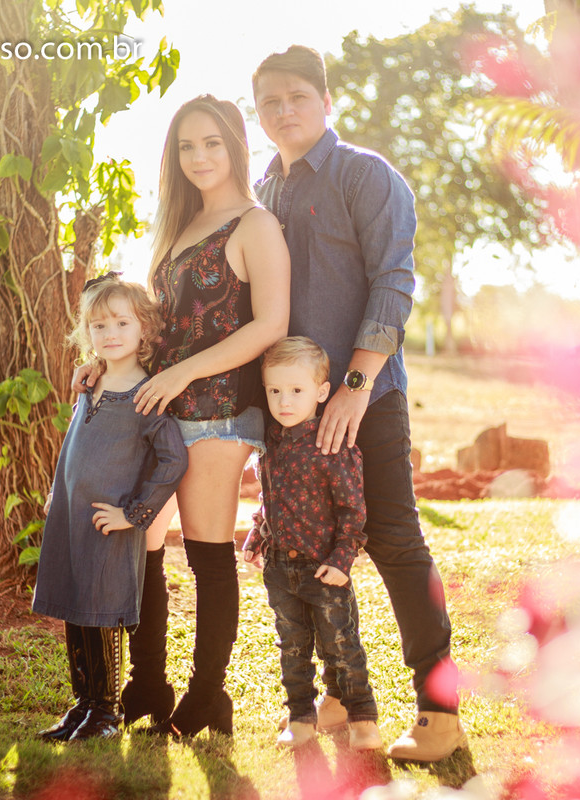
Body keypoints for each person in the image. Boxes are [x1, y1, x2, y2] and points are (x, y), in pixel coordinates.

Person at [251, 45, 464, 762]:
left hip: (367, 397)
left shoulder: (366, 175)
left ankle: (439, 710)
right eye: (270, 101)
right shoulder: (265, 190)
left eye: (296, 98)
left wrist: (354, 387)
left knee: (394, 540)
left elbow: (394, 283)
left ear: (326, 102)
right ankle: (341, 694)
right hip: (291, 410)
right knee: (308, 549)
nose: (283, 112)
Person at [75, 95, 290, 737]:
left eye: (212, 144)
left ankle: (208, 698)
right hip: (162, 412)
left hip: (220, 411)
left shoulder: (255, 225)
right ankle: (148, 686)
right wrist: (105, 365)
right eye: (186, 146)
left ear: (235, 148)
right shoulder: (178, 227)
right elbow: (156, 324)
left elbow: (270, 324)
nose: (199, 157)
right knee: (143, 540)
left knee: (205, 551)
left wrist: (182, 373)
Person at [33, 276, 189, 742]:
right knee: (75, 611)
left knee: (101, 612)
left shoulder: (146, 395)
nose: (110, 333)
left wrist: (136, 514)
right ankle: (83, 704)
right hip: (73, 517)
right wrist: (57, 491)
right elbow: (74, 447)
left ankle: (106, 712)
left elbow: (173, 459)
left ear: (145, 329)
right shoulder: (92, 385)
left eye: (122, 322)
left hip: (110, 524)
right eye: (98, 325)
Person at [242, 337, 382, 751]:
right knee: (292, 646)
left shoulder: (332, 445)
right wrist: (256, 536)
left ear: (322, 392)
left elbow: (353, 512)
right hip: (280, 569)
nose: (285, 401)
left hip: (325, 569)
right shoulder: (270, 445)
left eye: (297, 390)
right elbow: (269, 502)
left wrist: (342, 561)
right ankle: (301, 717)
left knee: (341, 645)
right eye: (275, 391)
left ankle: (362, 719)